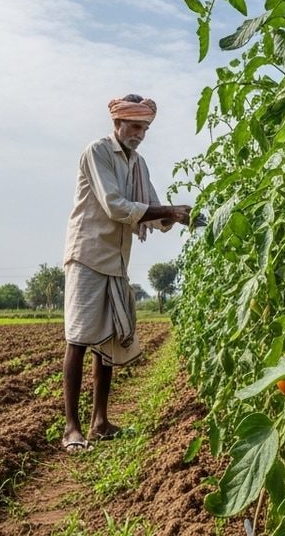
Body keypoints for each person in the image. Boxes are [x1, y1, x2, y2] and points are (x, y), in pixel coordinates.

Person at [60, 94, 191, 452]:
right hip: (87, 254)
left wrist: (178, 217)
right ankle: (72, 427)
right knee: (79, 338)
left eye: (145, 127)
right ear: (117, 123)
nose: (141, 134)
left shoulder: (138, 163)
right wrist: (167, 210)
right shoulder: (98, 152)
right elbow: (117, 206)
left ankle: (99, 422)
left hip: (116, 260)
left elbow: (151, 205)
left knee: (108, 340)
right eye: (135, 126)